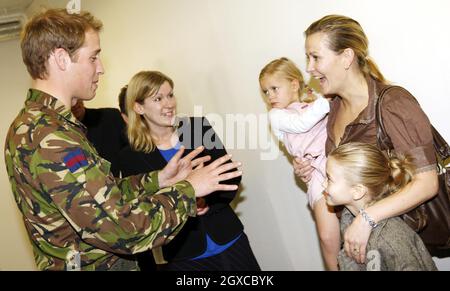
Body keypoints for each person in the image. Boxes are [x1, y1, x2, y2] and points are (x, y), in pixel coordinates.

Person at [4, 8, 242, 271]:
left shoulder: (35, 125)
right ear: (62, 58)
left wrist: (159, 179)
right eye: (93, 57)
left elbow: (103, 195)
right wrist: (189, 189)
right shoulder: (50, 136)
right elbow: (122, 229)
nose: (101, 68)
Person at [294, 14, 439, 264]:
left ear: (347, 57)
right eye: (308, 57)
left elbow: (427, 183)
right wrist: (312, 170)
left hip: (397, 247)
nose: (309, 67)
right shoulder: (334, 108)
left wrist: (367, 218)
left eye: (315, 57)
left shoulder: (394, 104)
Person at [118, 70, 260, 271]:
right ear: (139, 107)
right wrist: (187, 201)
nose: (169, 104)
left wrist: (206, 201)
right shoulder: (130, 156)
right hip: (184, 254)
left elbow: (230, 177)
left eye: (170, 95)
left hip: (229, 240)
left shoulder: (196, 128)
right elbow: (142, 207)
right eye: (158, 98)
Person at [259, 57, 340, 270]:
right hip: (315, 173)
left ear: (294, 84)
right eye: (265, 92)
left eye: (274, 88)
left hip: (336, 164)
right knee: (327, 236)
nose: (270, 96)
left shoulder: (310, 105)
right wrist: (325, 101)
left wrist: (321, 101)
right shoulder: (277, 116)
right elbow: (301, 124)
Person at [325, 142, 437, 271]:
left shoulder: (391, 237)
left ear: (357, 191)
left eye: (329, 179)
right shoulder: (348, 218)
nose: (323, 184)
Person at [71, 100, 128, 176]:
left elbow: (130, 150)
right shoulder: (59, 131)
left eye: (77, 98)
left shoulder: (110, 117)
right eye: (70, 99)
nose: (75, 103)